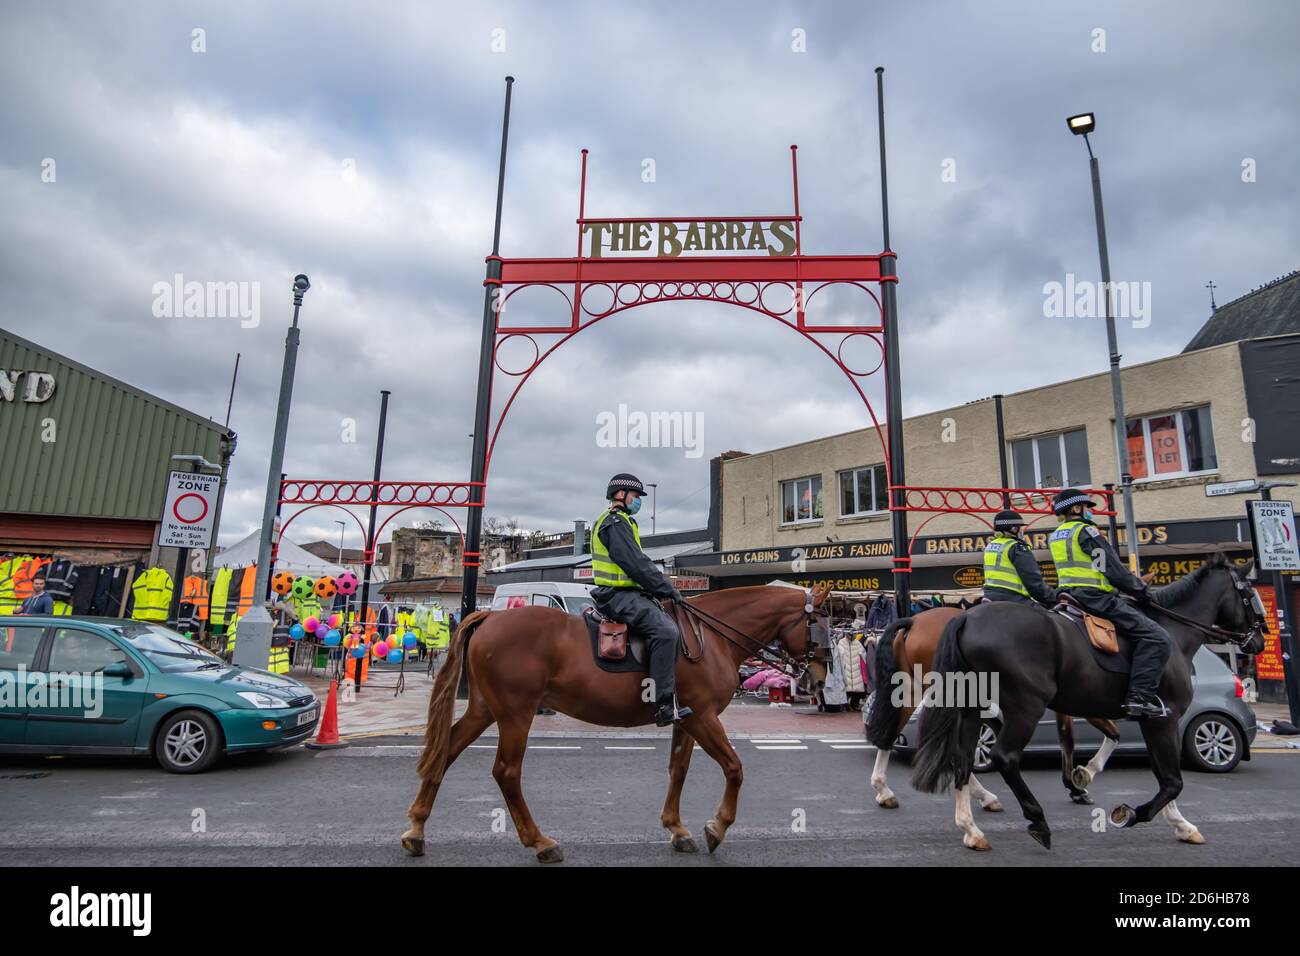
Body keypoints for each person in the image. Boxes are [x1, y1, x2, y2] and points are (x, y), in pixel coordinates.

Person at [1048, 488, 1171, 718]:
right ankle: (1139, 699)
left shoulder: (1056, 534)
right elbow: (1109, 566)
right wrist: (1140, 590)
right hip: (1096, 598)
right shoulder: (1086, 531)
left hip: (1068, 596)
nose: (1089, 512)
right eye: (1086, 508)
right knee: (1157, 637)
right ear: (1076, 508)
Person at [591, 473, 691, 726]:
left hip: (627, 594)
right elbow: (634, 563)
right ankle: (663, 704)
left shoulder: (623, 521)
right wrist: (665, 587)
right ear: (620, 495)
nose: (638, 502)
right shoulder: (614, 522)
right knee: (666, 631)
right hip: (618, 596)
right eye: (636, 496)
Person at [982, 510, 1056, 607]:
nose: (1021, 531)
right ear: (1014, 529)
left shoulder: (990, 546)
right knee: (1049, 618)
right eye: (1020, 527)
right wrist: (1052, 597)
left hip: (990, 596)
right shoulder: (1017, 547)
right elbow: (1033, 581)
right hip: (1013, 598)